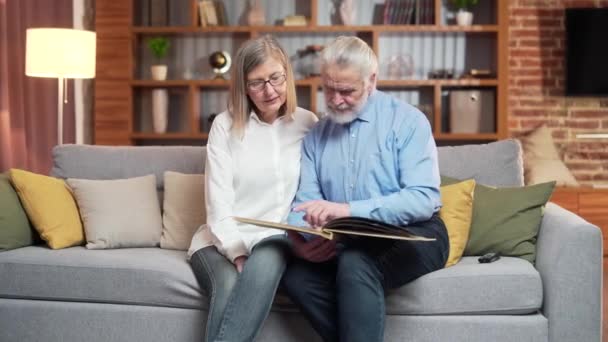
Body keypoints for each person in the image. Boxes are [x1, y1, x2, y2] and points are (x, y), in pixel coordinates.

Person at [281, 36, 450, 342]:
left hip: (416, 233)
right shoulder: (316, 137)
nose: (335, 100)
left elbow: (424, 198)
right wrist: (302, 241)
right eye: (328, 89)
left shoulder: (408, 122)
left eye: (346, 91)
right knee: (296, 277)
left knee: (355, 262)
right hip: (348, 239)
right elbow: (302, 205)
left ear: (371, 80)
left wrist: (347, 210)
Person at [187, 35, 318, 342]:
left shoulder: (308, 123)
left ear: (287, 74)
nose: (269, 90)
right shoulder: (224, 126)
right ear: (243, 87)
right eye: (257, 82)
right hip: (218, 238)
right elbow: (218, 202)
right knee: (229, 286)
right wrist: (235, 253)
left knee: (269, 255)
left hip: (273, 238)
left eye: (275, 78)